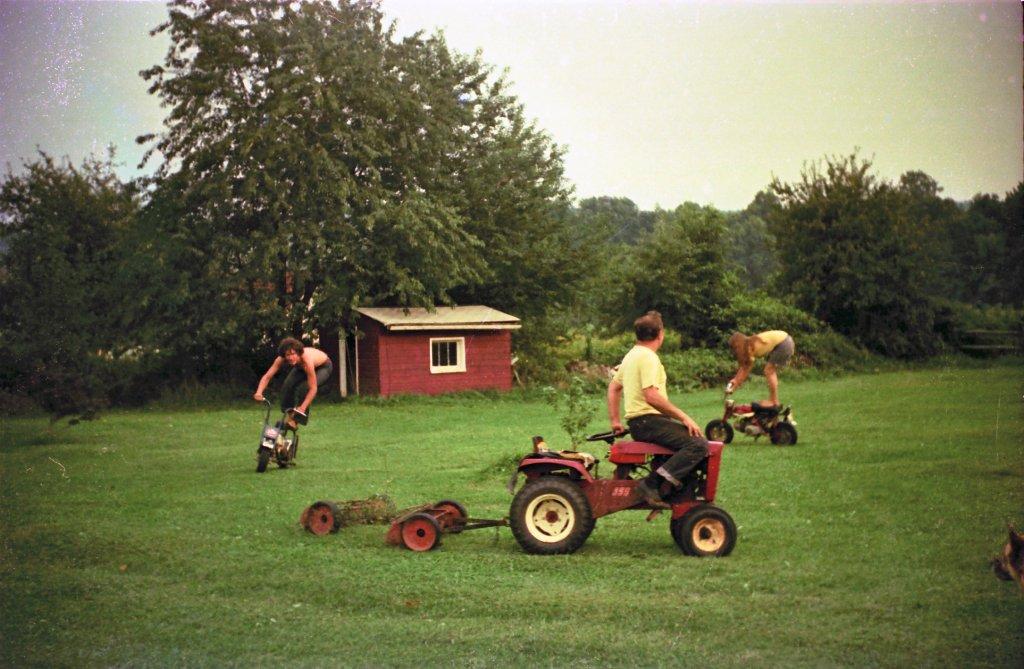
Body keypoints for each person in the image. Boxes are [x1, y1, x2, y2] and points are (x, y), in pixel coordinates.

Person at [607, 311, 708, 509]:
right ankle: (651, 484)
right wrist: (684, 417)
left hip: (640, 423)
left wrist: (616, 421)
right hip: (649, 421)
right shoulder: (648, 357)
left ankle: (673, 488)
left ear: (638, 334)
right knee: (698, 445)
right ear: (660, 334)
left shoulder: (631, 356)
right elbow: (651, 396)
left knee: (690, 443)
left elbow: (613, 388)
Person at [253, 337, 333, 427]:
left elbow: (313, 388)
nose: (290, 358)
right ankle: (291, 416)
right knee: (287, 385)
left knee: (305, 388)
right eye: (287, 355)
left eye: (293, 354)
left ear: (298, 353)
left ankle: (296, 419)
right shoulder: (281, 359)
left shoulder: (307, 361)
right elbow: (267, 376)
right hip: (300, 367)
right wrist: (259, 392)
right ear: (284, 355)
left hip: (323, 366)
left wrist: (302, 408)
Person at [726, 330, 794, 406]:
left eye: (735, 348)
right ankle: (773, 400)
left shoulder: (749, 347)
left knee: (769, 370)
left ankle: (774, 401)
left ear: (739, 344)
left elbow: (746, 368)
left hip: (784, 343)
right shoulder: (749, 344)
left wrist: (737, 381)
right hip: (785, 340)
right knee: (769, 370)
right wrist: (736, 380)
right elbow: (745, 367)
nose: (735, 351)